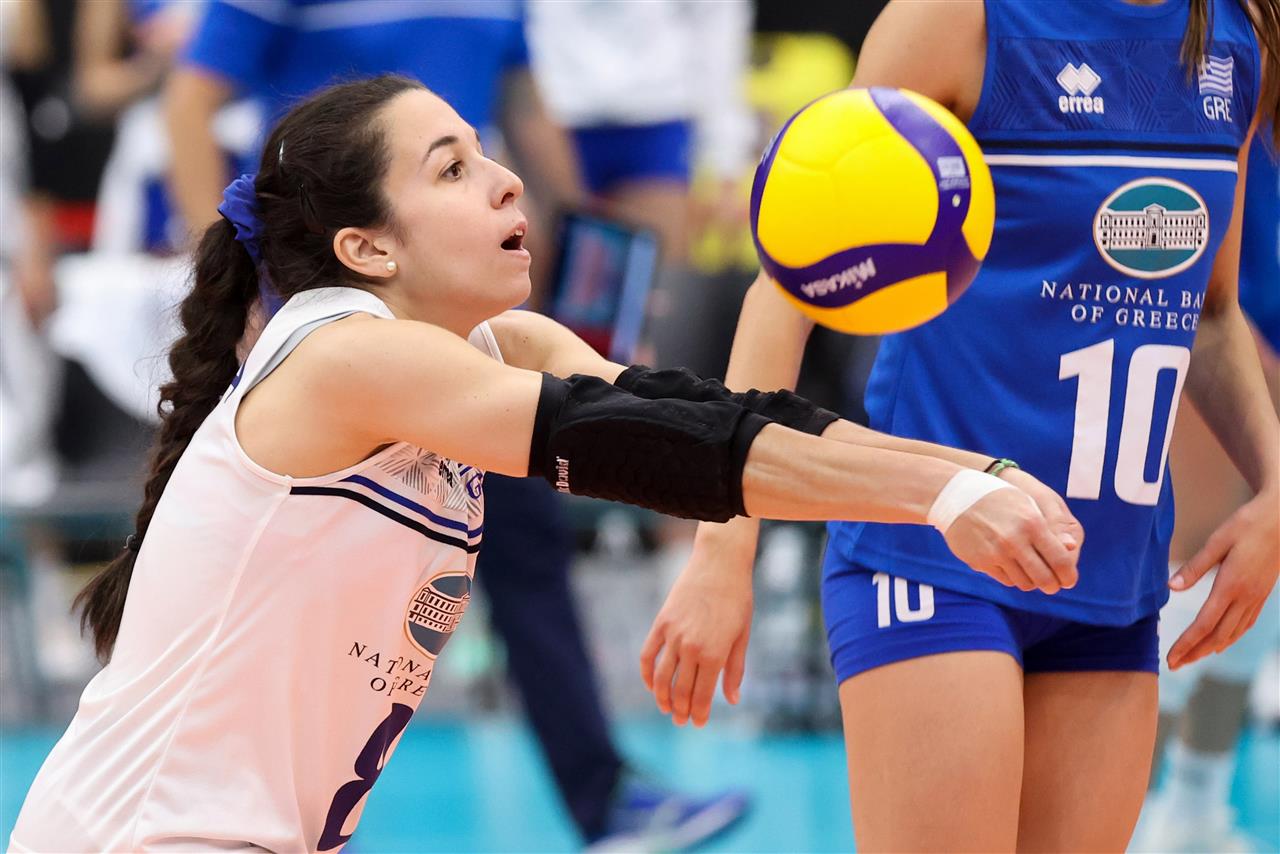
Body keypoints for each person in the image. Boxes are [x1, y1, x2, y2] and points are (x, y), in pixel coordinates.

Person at [7, 74, 1081, 853]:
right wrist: (940, 496)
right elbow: (633, 445)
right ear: (367, 248)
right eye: (452, 168)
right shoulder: (343, 355)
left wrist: (971, 473)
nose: (505, 180)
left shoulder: (488, 345)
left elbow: (696, 418)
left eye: (484, 152)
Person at [639, 0, 1280, 851]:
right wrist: (724, 550)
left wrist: (1275, 492)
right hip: (935, 556)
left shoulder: (1235, 36)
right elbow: (789, 286)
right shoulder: (957, 19)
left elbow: (1212, 310)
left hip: (1111, 576)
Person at [161, 2, 746, 846]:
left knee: (525, 546)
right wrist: (235, 292)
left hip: (445, 307)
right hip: (337, 312)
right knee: (319, 596)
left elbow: (524, 111)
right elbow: (189, 105)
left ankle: (606, 799)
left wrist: (582, 255)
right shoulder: (333, 348)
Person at [1131, 128, 1280, 853]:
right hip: (1221, 328)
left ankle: (1193, 811)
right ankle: (1122, 822)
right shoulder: (1236, 88)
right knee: (1197, 581)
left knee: (1261, 600)